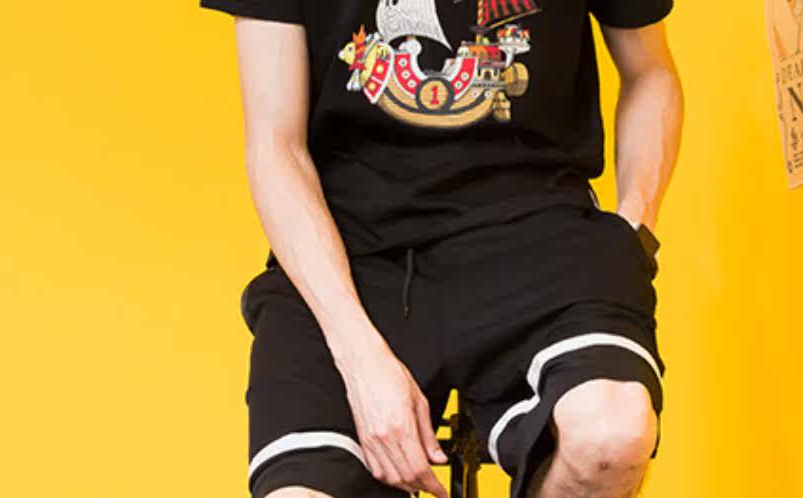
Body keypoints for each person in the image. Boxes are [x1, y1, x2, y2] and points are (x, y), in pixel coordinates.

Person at [200, 0, 683, 496]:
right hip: (350, 252)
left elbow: (651, 72)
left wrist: (634, 229)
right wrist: (360, 359)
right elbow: (275, 144)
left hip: (538, 229)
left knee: (612, 436)